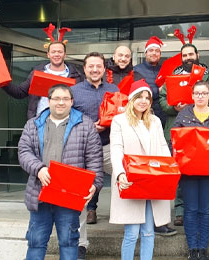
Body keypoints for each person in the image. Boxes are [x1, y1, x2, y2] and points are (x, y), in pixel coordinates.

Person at [17, 84, 103, 260]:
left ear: (72, 101)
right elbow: (24, 152)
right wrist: (38, 168)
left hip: (69, 197)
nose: (61, 103)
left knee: (69, 242)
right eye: (56, 98)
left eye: (65, 99)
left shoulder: (85, 125)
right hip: (40, 194)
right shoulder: (33, 124)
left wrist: (95, 184)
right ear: (49, 101)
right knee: (36, 242)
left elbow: (95, 159)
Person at [109, 79, 172, 260]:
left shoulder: (155, 121)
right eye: (139, 97)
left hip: (152, 179)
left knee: (148, 231)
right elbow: (116, 148)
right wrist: (120, 173)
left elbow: (162, 146)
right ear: (131, 99)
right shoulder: (119, 120)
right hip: (131, 179)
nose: (143, 101)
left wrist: (168, 171)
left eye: (147, 98)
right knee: (132, 232)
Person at [160, 41, 209, 229]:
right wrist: (173, 107)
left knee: (204, 172)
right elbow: (162, 101)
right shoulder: (172, 77)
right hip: (177, 129)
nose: (188, 58)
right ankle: (180, 211)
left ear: (197, 55)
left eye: (191, 54)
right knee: (180, 173)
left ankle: (204, 210)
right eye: (184, 56)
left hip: (203, 131)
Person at [172, 81, 209, 260]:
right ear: (192, 95)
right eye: (197, 93)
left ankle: (203, 248)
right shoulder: (183, 116)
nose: (200, 96)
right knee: (190, 209)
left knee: (205, 210)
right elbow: (174, 144)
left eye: (204, 93)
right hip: (188, 172)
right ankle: (192, 249)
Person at [70, 52, 119, 258]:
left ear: (104, 69)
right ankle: (81, 243)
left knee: (127, 177)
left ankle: (137, 226)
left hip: (108, 147)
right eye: (91, 66)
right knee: (79, 197)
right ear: (84, 69)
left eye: (98, 66)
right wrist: (89, 125)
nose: (95, 69)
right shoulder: (73, 91)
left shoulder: (114, 89)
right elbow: (67, 117)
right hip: (82, 150)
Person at [2, 41, 84, 119]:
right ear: (48, 54)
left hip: (68, 123)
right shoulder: (37, 72)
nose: (56, 54)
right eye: (53, 52)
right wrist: (1, 82)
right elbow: (19, 93)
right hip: (40, 123)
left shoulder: (77, 76)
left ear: (65, 54)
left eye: (60, 52)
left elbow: (82, 102)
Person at [134, 36, 167, 127]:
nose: (154, 53)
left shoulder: (164, 69)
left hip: (164, 116)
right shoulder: (136, 70)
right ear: (146, 53)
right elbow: (136, 93)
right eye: (151, 50)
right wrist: (158, 90)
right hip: (143, 115)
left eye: (157, 51)